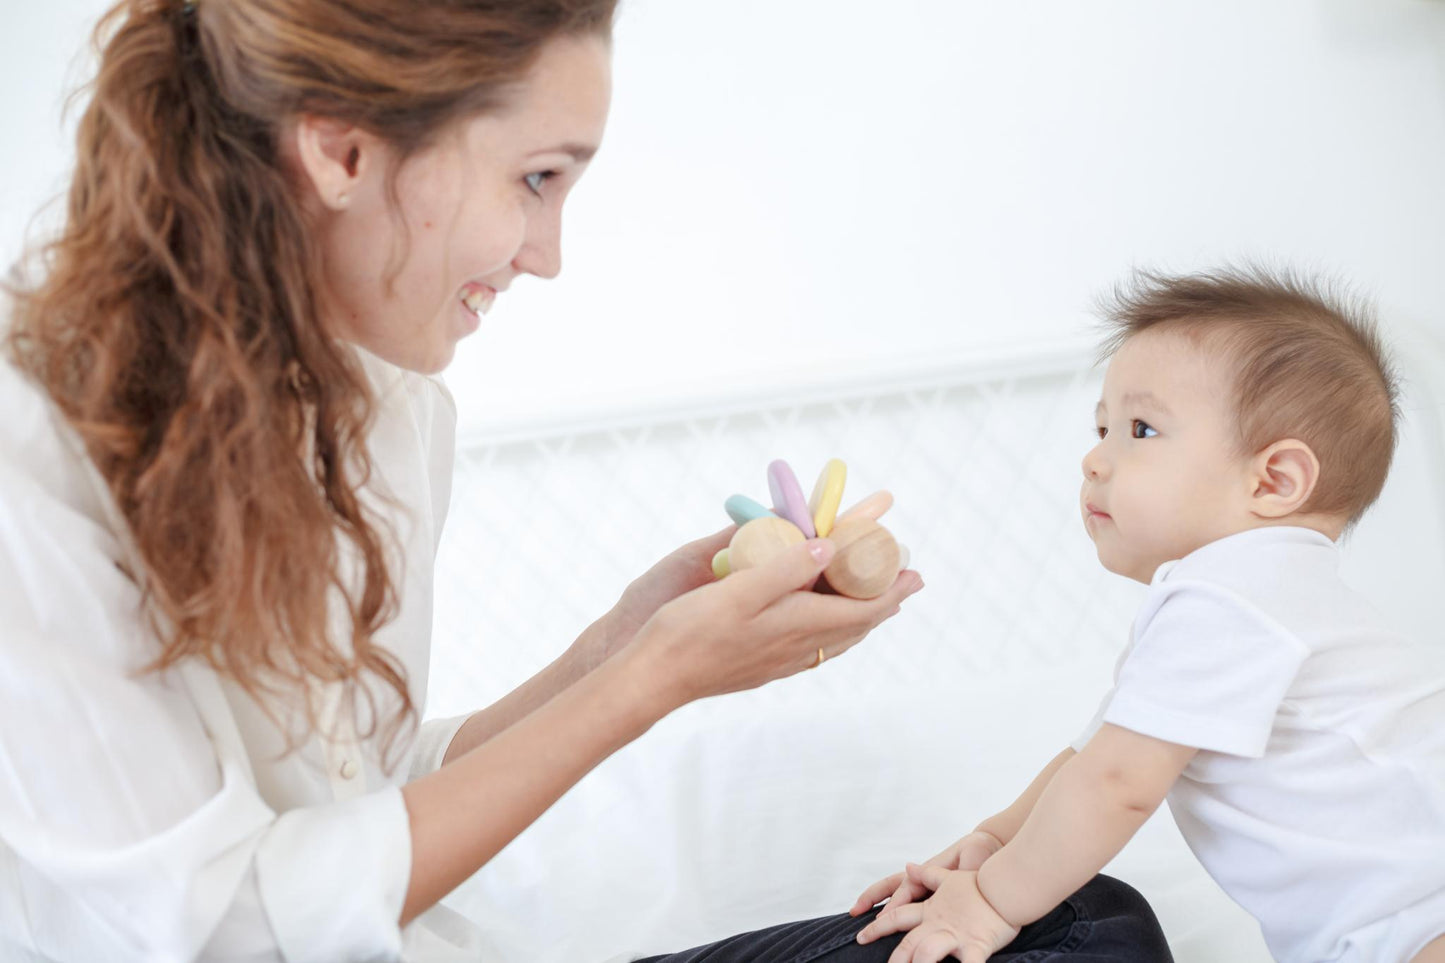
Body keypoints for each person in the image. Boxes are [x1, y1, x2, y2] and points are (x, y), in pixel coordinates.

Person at [0, 1, 927, 959]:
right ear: (340, 152)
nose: (548, 256)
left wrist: (615, 648)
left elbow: (352, 806)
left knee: (1057, 929)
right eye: (536, 178)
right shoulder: (28, 461)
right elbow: (221, 922)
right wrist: (650, 680)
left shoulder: (391, 407)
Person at [840, 268, 1445, 963]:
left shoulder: (1226, 598)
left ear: (1273, 479)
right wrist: (995, 841)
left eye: (1139, 427)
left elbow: (1115, 785)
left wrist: (990, 900)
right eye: (1101, 427)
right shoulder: (1256, 598)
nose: (1094, 459)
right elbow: (1091, 757)